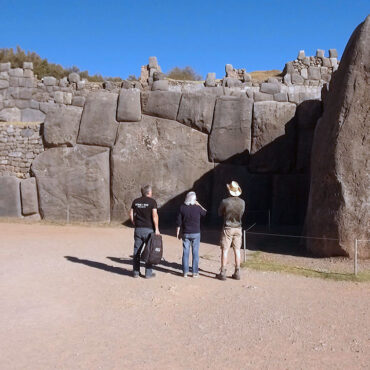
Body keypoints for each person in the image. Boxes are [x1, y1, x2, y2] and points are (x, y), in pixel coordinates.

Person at [217, 181, 245, 281]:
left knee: (225, 250)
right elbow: (242, 213)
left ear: (229, 191)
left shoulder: (225, 201)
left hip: (227, 228)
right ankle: (237, 272)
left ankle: (223, 272)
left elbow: (219, 213)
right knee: (237, 250)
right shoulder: (242, 202)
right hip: (238, 228)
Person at [130, 185, 160, 279]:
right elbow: (154, 215)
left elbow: (130, 213)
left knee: (136, 251)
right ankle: (148, 273)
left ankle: (135, 272)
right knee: (150, 251)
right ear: (149, 192)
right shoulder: (152, 202)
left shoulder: (136, 201)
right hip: (149, 230)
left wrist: (134, 222)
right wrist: (157, 229)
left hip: (138, 229)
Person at [176, 191, 207, 278]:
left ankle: (185, 272)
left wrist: (178, 231)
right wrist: (199, 204)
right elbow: (205, 212)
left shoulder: (182, 207)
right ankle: (194, 272)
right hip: (196, 233)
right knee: (195, 252)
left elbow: (179, 221)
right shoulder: (197, 208)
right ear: (194, 199)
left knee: (185, 252)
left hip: (186, 233)